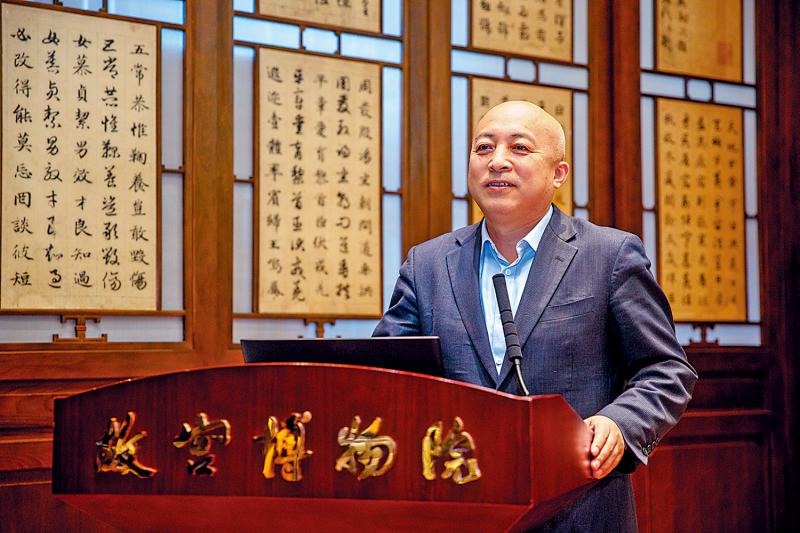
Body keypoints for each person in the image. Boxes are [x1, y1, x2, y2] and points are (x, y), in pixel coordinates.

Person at [373, 101, 697, 531]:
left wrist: (620, 425)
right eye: (483, 148)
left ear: (558, 174)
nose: (497, 161)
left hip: (577, 507)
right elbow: (384, 375)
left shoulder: (609, 256)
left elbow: (667, 370)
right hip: (459, 505)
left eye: (519, 148)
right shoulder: (428, 264)